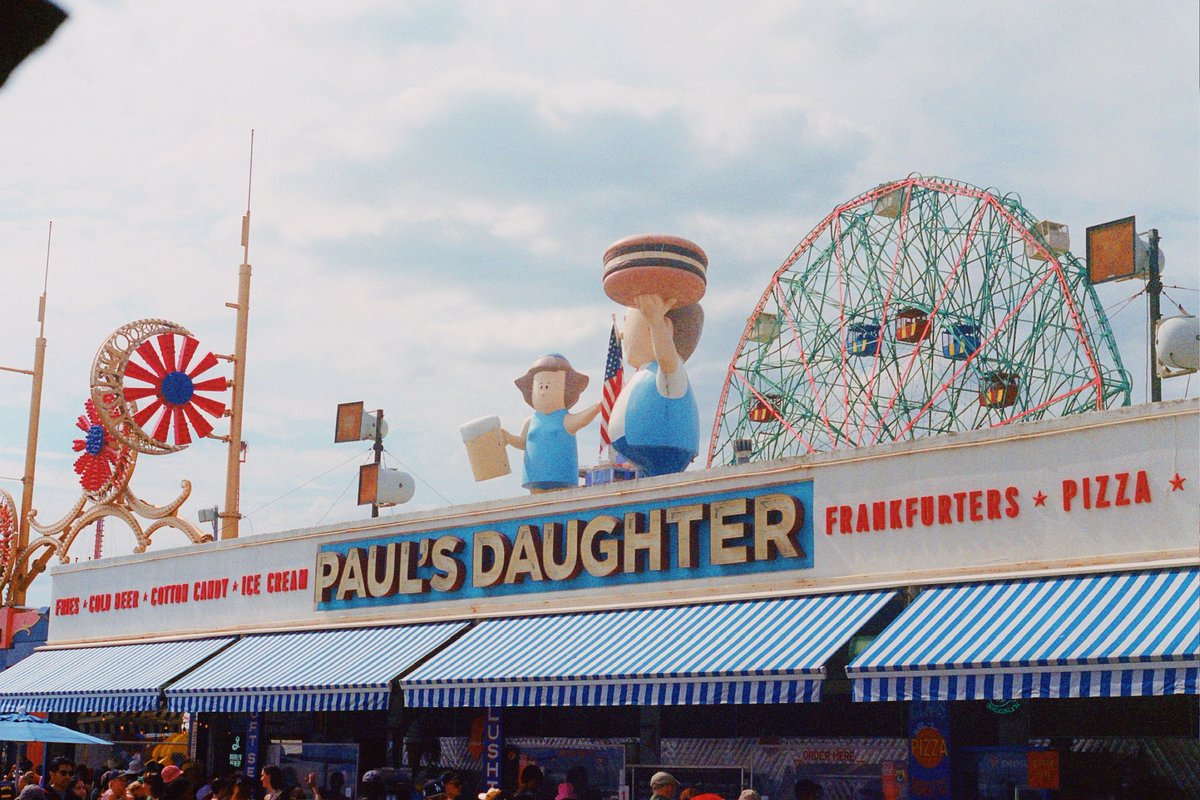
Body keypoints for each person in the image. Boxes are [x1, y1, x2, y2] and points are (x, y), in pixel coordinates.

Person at [609, 295, 703, 477]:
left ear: (665, 327)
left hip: (663, 451)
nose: (621, 334)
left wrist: (655, 321)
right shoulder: (649, 371)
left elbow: (667, 359)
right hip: (645, 463)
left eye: (627, 323)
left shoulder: (669, 371)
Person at [504, 354, 600, 492]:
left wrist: (597, 407)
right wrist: (508, 438)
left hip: (561, 477)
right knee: (538, 501)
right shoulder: (531, 421)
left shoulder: (565, 419)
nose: (543, 392)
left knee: (558, 498)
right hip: (534, 476)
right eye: (540, 386)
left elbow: (582, 419)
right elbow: (523, 442)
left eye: (547, 386)